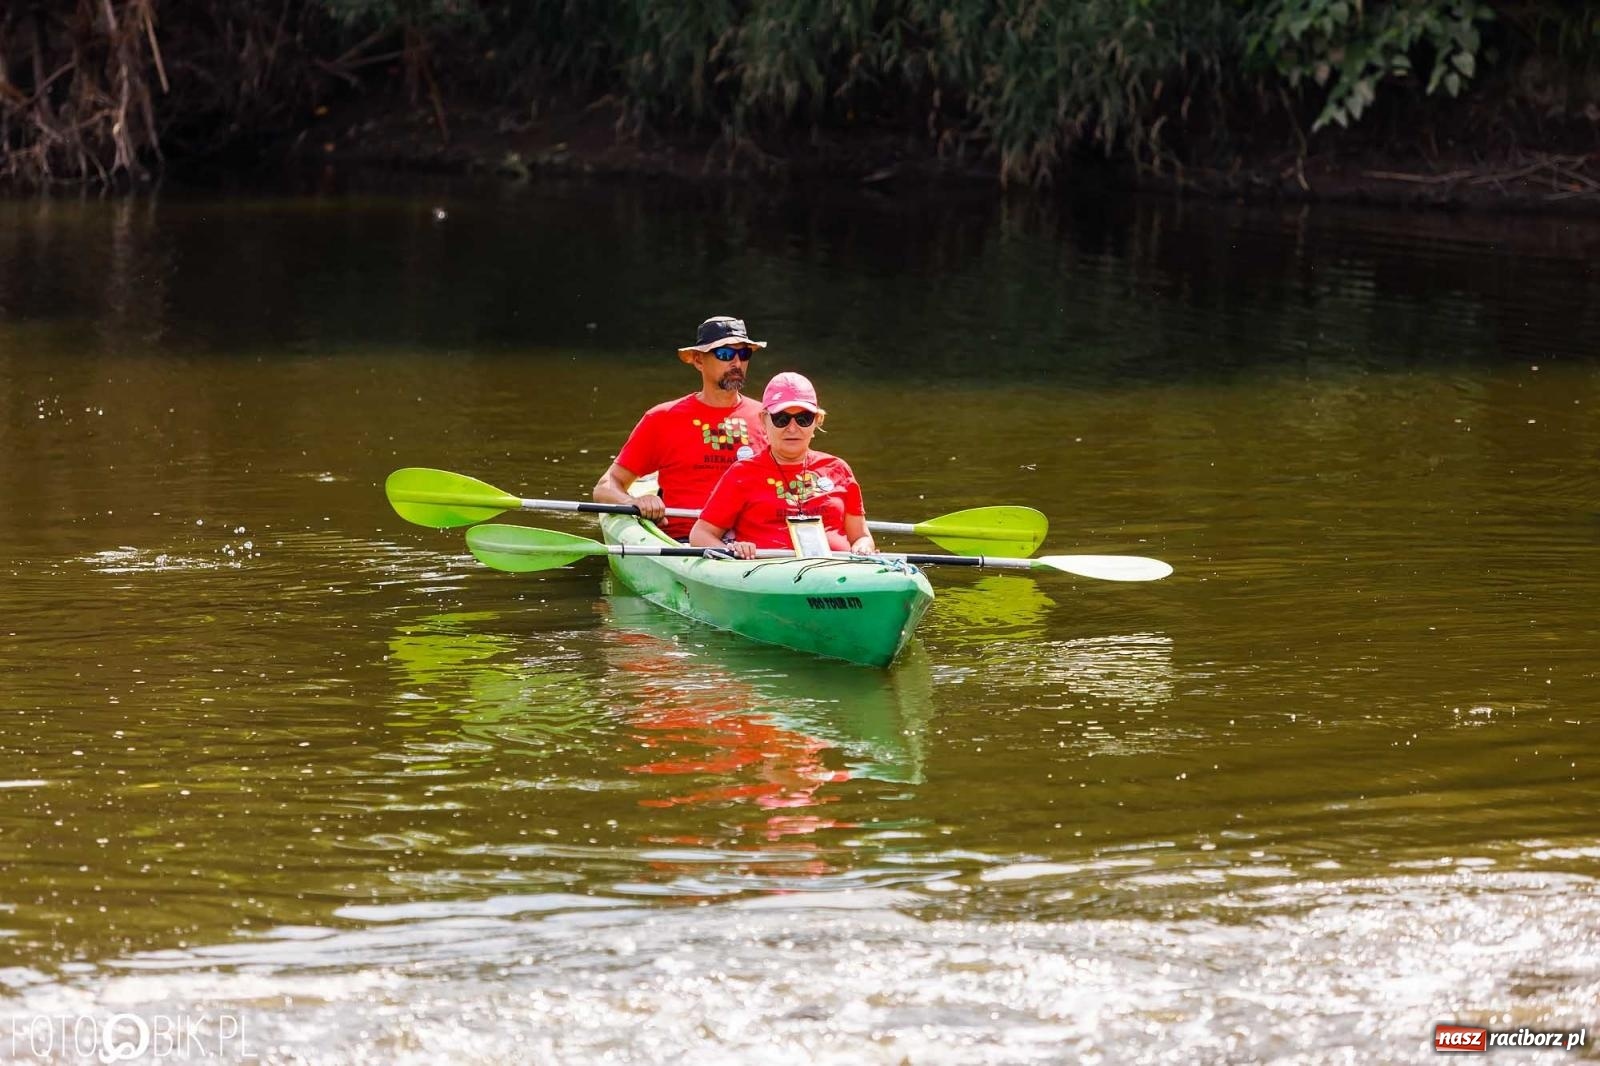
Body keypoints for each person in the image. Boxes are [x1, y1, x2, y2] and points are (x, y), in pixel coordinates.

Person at [593, 316, 769, 540]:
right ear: (698, 360)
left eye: (744, 354)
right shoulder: (662, 418)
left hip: (754, 544)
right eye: (725, 354)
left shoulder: (771, 418)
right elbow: (605, 486)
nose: (736, 362)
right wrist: (633, 502)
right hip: (682, 541)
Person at [690, 372, 876, 559]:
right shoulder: (742, 473)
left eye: (803, 419)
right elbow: (700, 535)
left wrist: (863, 547)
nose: (792, 428)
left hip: (838, 568)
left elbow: (861, 536)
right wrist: (734, 553)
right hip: (763, 569)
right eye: (781, 419)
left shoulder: (838, 468)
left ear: (817, 421)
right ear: (763, 420)